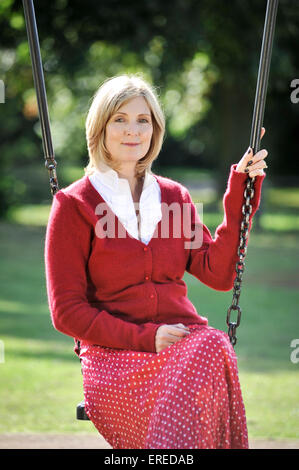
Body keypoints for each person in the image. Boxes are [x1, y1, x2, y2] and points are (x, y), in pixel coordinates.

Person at [44, 73, 267, 449]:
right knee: (211, 349)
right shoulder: (75, 205)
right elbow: (66, 312)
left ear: (155, 129)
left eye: (143, 120)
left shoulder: (173, 197)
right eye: (120, 119)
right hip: (115, 362)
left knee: (212, 344)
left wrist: (239, 194)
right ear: (100, 128)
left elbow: (218, 274)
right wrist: (147, 338)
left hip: (183, 349)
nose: (133, 130)